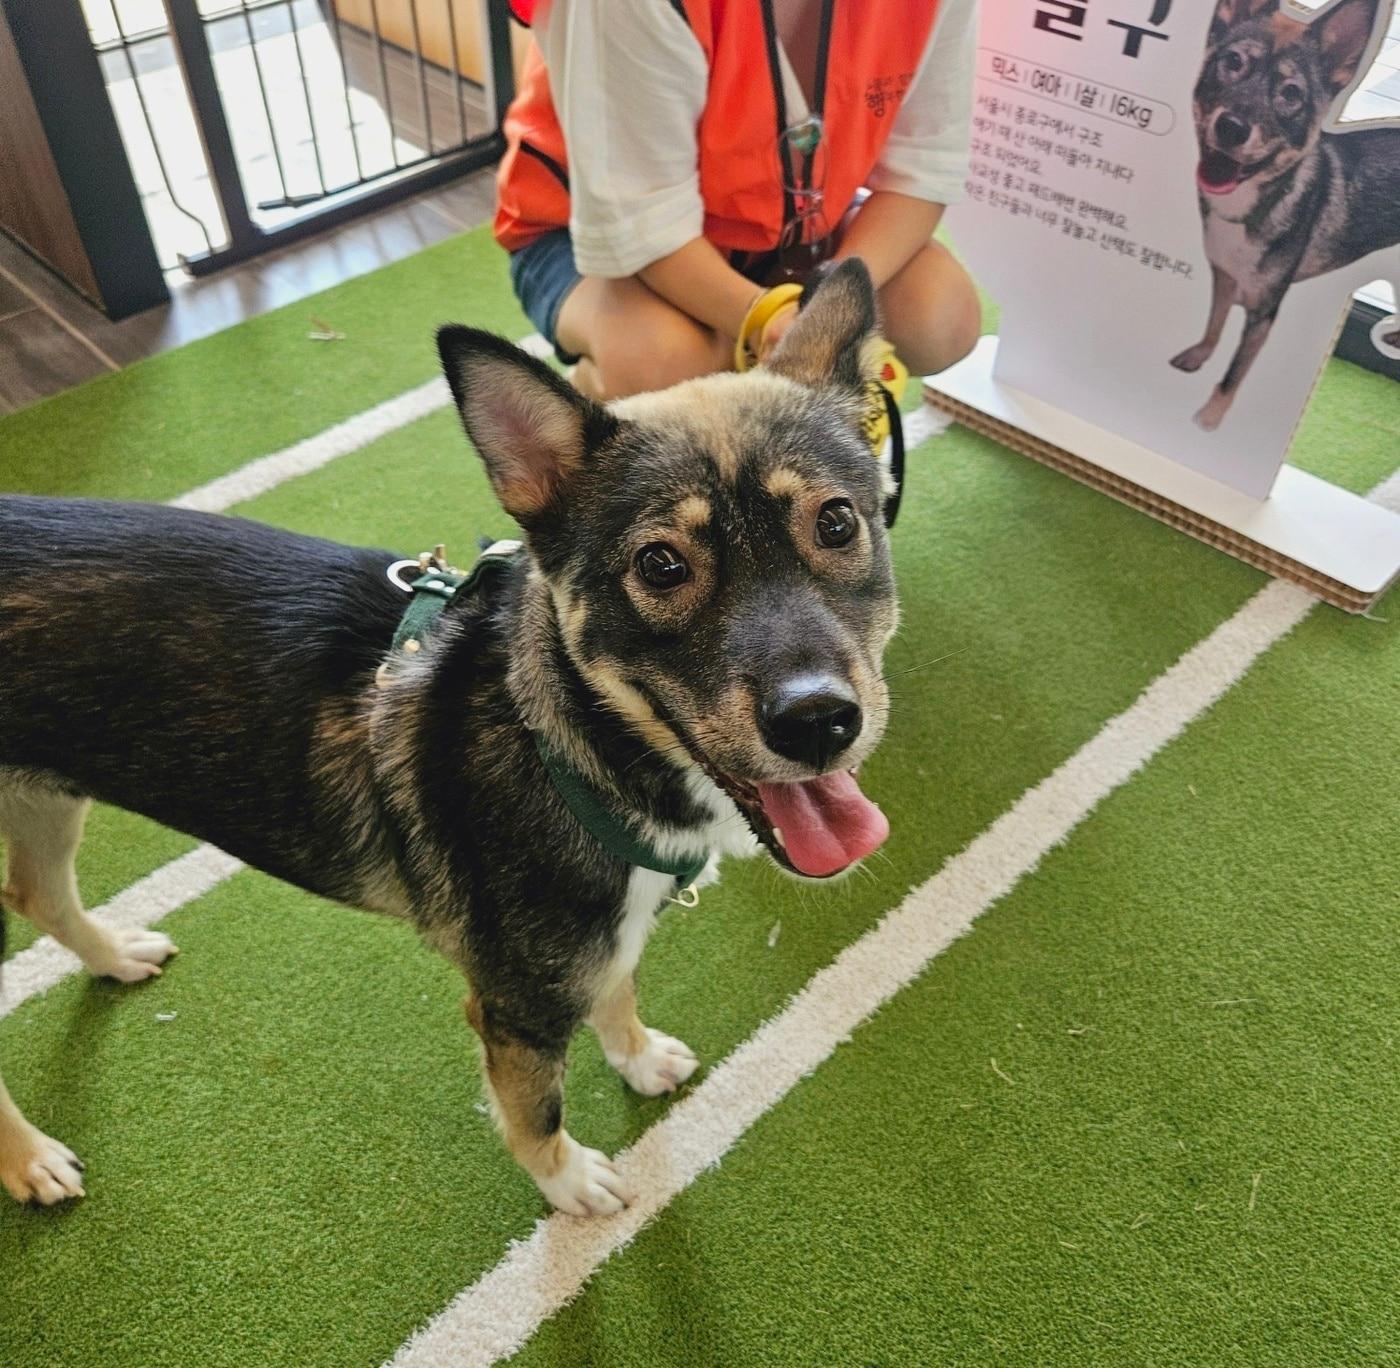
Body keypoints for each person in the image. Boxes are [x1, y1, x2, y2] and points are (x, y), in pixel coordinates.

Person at [495, 0, 982, 400]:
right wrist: (772, 324)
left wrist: (834, 305)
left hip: (788, 230)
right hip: (587, 235)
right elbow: (641, 226)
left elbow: (920, 172)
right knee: (667, 364)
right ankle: (587, 414)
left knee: (939, 313)